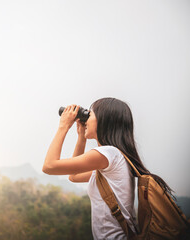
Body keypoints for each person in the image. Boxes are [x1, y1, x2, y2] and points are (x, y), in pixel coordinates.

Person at [42, 97, 174, 240]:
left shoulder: (108, 154)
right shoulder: (116, 159)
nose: (86, 119)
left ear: (104, 120)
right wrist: (81, 137)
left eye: (89, 114)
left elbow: (49, 166)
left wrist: (63, 126)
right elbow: (74, 176)